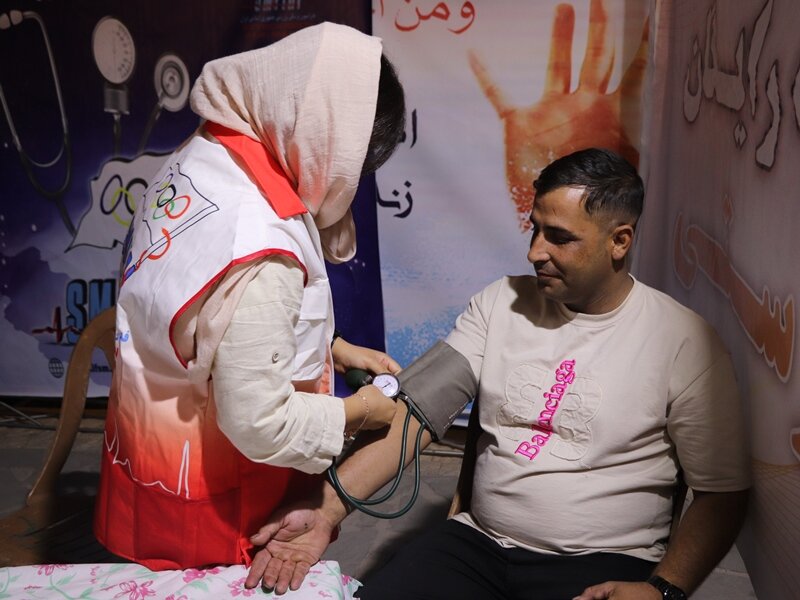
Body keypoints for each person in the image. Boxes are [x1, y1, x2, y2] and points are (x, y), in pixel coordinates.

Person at [244, 148, 751, 600]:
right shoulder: (499, 304)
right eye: (535, 228)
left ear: (619, 241)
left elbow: (722, 492)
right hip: (479, 545)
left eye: (560, 238)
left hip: (603, 564)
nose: (535, 251)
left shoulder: (685, 342)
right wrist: (327, 510)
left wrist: (663, 590)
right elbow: (414, 416)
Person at [93, 22, 407, 571]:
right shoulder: (262, 242)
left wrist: (332, 348)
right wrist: (359, 411)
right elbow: (259, 423)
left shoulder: (205, 154)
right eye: (354, 164)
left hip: (151, 442)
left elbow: (214, 317)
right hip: (218, 498)